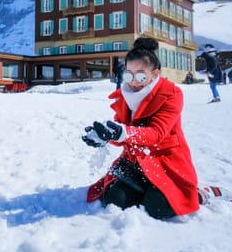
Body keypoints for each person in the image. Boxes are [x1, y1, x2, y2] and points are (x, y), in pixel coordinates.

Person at [82, 38, 200, 219]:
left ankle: (202, 194)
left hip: (166, 162)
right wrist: (105, 136)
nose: (134, 82)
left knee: (159, 208)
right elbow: (122, 137)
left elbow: (156, 134)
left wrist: (123, 132)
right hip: (136, 162)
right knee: (113, 199)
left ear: (154, 73)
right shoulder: (125, 95)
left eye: (141, 76)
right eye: (129, 75)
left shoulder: (171, 94)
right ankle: (145, 188)